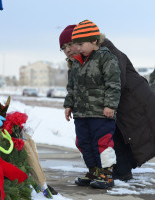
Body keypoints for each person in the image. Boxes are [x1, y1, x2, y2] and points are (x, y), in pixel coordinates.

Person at [60, 22, 155, 183]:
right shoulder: (78, 63)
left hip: (133, 102)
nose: (68, 49)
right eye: (63, 47)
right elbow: (75, 89)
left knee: (114, 136)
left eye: (71, 44)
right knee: (103, 136)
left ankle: (117, 172)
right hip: (111, 106)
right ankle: (108, 171)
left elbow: (116, 82)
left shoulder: (107, 54)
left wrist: (104, 104)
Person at [63, 20, 121, 189]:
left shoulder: (106, 58)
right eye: (76, 44)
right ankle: (94, 171)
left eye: (81, 44)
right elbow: (71, 87)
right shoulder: (76, 62)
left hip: (100, 113)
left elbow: (113, 84)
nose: (77, 48)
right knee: (83, 142)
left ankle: (107, 174)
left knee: (102, 142)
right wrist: (69, 105)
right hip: (81, 113)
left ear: (94, 41)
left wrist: (110, 105)